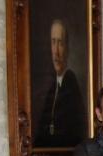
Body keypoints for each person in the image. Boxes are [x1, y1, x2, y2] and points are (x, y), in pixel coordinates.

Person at [35, 19, 86, 147]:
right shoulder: (52, 88)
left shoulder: (71, 83)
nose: (56, 51)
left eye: (61, 43)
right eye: (53, 43)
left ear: (67, 48)